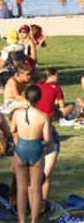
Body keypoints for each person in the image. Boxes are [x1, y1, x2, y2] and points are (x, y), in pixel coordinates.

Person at [10, 85, 52, 223]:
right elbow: (47, 138)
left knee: (21, 188)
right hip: (36, 150)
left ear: (25, 96)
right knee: (35, 188)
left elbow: (12, 129)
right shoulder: (43, 116)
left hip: (21, 149)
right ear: (39, 98)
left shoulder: (17, 113)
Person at [35, 68, 66, 203]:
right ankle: (43, 204)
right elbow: (62, 107)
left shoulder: (36, 87)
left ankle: (31, 203)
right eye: (57, 75)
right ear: (52, 75)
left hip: (32, 129)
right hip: (48, 127)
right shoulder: (56, 88)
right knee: (45, 176)